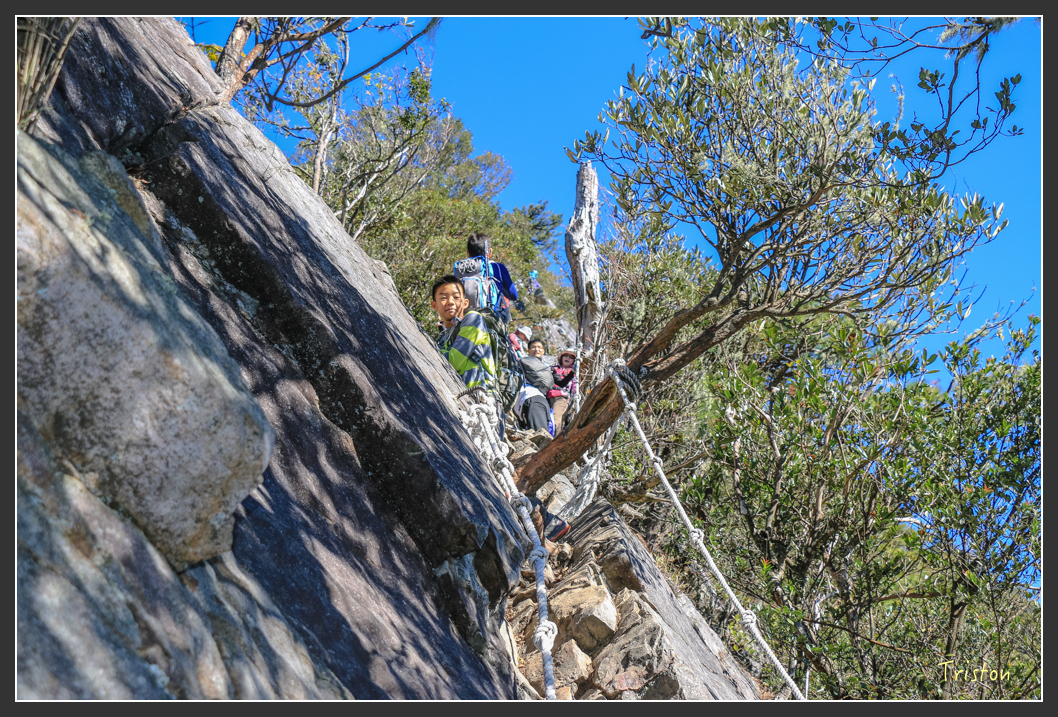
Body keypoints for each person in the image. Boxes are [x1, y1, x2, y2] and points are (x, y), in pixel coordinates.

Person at [431, 275, 498, 396]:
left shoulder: (473, 319)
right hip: (464, 399)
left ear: (465, 303)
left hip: (484, 400)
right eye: (443, 298)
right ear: (434, 305)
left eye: (456, 297)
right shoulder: (443, 337)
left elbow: (453, 363)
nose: (450, 302)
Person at [466, 232, 518, 324]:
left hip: (466, 320)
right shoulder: (497, 268)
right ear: (489, 252)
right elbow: (513, 295)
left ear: (468, 253)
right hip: (490, 320)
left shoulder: (461, 269)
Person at [517, 338, 554, 433]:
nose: (536, 349)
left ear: (543, 350)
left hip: (532, 400)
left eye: (539, 347)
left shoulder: (522, 362)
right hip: (536, 400)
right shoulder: (546, 367)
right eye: (533, 347)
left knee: (540, 435)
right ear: (528, 350)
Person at [547, 348, 578, 434]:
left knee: (556, 419)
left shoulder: (573, 372)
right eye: (565, 355)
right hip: (548, 396)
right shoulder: (553, 369)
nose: (568, 358)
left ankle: (555, 440)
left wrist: (574, 401)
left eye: (571, 357)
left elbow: (575, 387)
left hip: (561, 397)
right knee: (547, 419)